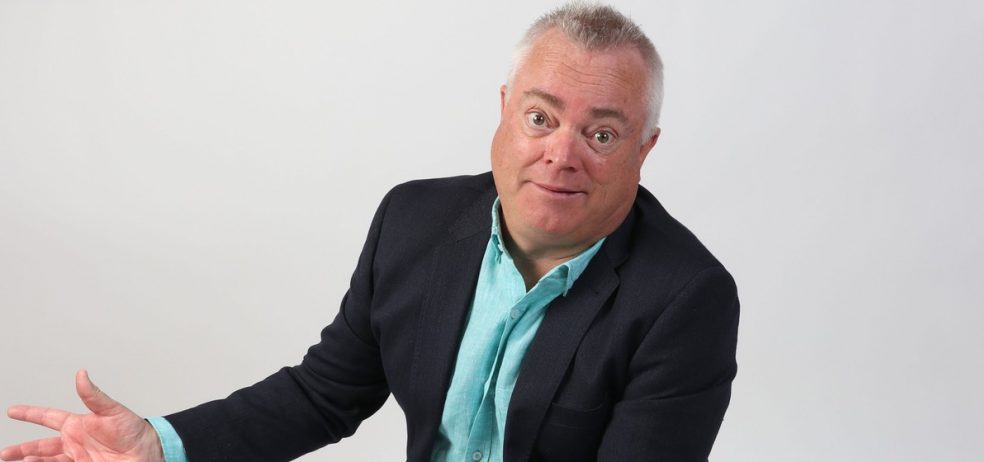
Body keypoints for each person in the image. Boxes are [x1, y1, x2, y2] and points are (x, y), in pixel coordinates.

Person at [2, 3, 739, 461]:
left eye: (602, 134)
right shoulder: (413, 222)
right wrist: (161, 446)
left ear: (645, 149)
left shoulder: (685, 298)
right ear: (504, 111)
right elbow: (323, 394)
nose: (561, 154)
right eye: (540, 118)